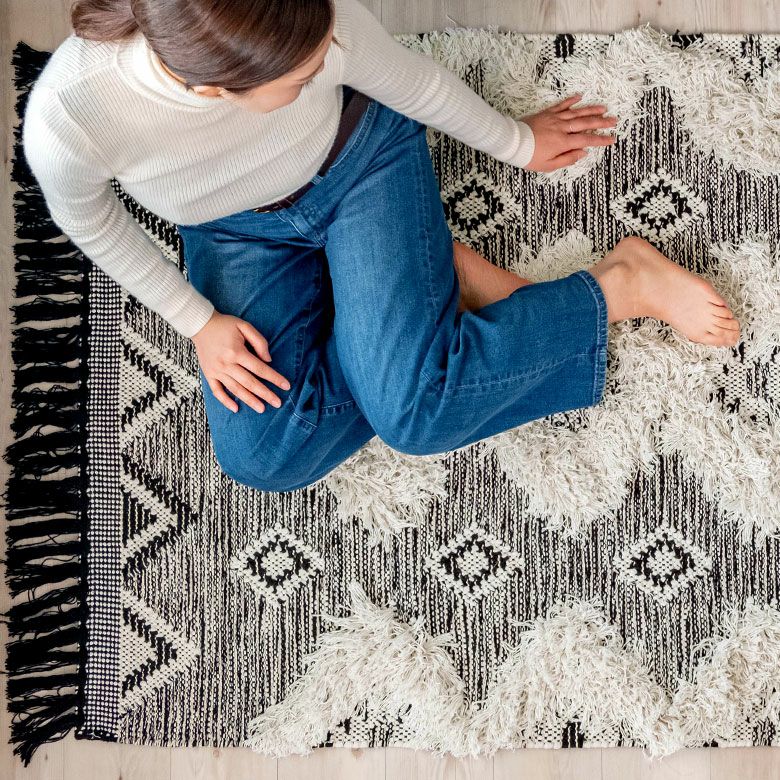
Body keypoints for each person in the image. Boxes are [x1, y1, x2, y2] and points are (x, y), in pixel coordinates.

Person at [22, 0, 740, 492]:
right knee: (264, 456)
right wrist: (198, 323)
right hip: (232, 228)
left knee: (418, 415)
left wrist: (520, 143)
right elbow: (92, 223)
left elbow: (410, 82)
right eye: (303, 78)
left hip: (358, 165)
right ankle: (427, 292)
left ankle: (620, 284)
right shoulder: (71, 115)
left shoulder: (308, 17)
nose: (326, 61)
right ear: (219, 90)